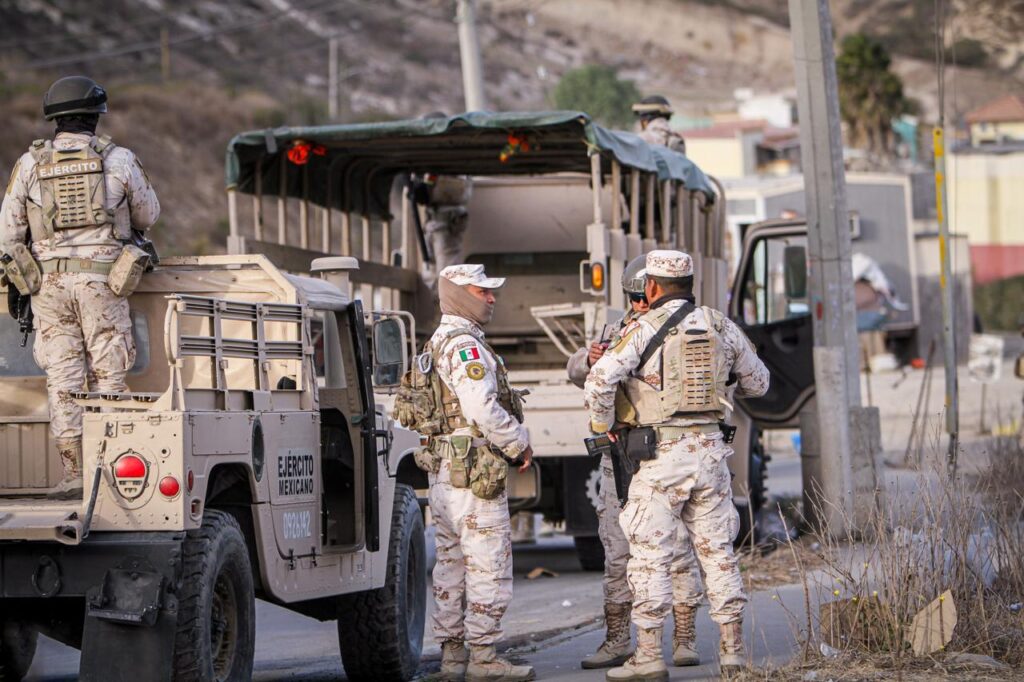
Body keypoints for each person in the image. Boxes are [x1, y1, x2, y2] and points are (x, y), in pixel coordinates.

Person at [584, 251, 769, 680]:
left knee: (650, 556)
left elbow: (598, 379)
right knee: (719, 555)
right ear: (690, 282)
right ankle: (733, 652)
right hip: (710, 454)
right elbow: (759, 383)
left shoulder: (640, 327)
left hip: (660, 456)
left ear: (650, 288)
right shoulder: (720, 324)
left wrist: (604, 424)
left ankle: (648, 656)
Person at [0, 76, 160, 499]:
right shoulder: (119, 159)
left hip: (48, 286)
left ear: (54, 119)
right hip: (103, 280)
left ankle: (73, 474)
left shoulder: (30, 164)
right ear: (95, 116)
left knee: (64, 378)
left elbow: (8, 233)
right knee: (109, 372)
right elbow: (147, 216)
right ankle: (107, 475)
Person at [567, 255, 705, 670]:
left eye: (642, 296)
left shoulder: (691, 325)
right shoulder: (618, 329)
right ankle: (616, 639)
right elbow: (579, 371)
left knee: (678, 549)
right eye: (633, 299)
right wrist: (588, 360)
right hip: (621, 457)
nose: (639, 305)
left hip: (664, 455)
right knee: (617, 551)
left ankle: (684, 638)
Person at [413, 264, 535, 682]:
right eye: (481, 291)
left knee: (451, 564)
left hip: (446, 472)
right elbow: (481, 406)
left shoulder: (437, 342)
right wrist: (518, 441)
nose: (491, 297)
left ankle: (452, 661)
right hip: (473, 472)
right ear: (459, 294)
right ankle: (483, 658)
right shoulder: (465, 346)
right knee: (487, 562)